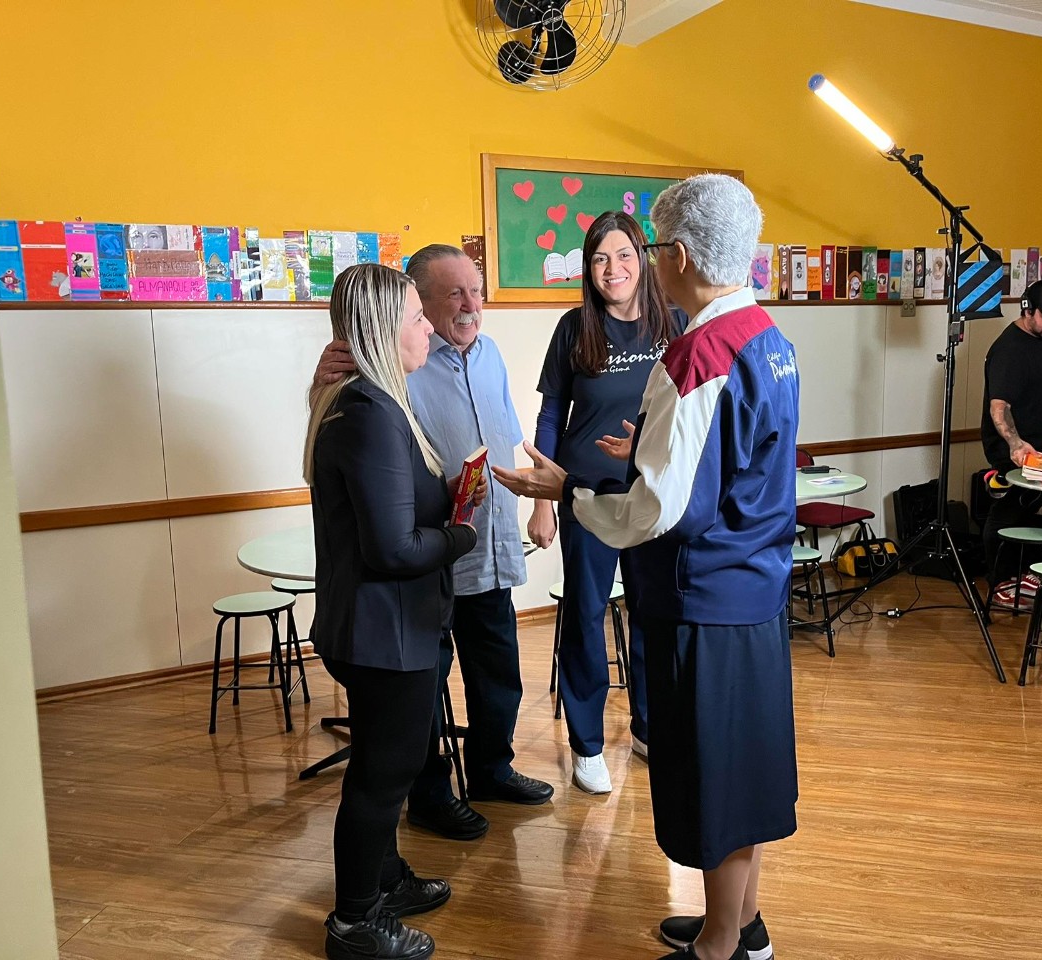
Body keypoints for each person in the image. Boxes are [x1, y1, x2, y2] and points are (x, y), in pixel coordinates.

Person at [494, 173, 797, 960]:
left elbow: (658, 511)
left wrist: (571, 491)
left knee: (714, 777)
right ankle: (743, 920)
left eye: (654, 249)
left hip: (704, 597)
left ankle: (722, 945)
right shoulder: (766, 335)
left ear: (680, 256)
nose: (649, 263)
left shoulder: (697, 353)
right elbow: (735, 458)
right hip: (756, 589)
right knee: (743, 766)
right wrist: (654, 449)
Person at [314, 244, 554, 842]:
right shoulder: (390, 367)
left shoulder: (491, 354)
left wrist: (542, 502)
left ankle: (492, 770)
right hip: (426, 562)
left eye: (477, 290)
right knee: (421, 693)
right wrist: (320, 384)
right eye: (453, 295)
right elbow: (350, 451)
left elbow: (513, 440)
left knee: (498, 676)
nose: (472, 305)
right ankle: (429, 795)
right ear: (416, 303)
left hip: (485, 548)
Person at [305, 263, 489, 960]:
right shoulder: (371, 412)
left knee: (387, 765)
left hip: (385, 628)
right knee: (382, 777)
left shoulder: (370, 402)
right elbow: (393, 548)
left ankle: (384, 880)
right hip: (384, 633)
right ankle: (355, 923)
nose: (429, 330)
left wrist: (452, 491)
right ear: (387, 329)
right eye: (417, 317)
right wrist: (461, 534)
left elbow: (394, 509)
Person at [528, 210, 686, 794]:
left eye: (622, 255)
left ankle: (648, 726)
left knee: (653, 612)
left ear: (642, 259)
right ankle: (587, 745)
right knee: (585, 615)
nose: (611, 269)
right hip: (586, 496)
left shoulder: (675, 322)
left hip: (651, 495)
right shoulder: (574, 328)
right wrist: (543, 501)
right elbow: (552, 414)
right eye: (599, 259)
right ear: (587, 270)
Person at [980, 277, 1042, 610]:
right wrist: (1015, 444)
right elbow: (999, 406)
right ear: (1027, 309)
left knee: (1028, 507)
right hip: (1016, 449)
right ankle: (1000, 583)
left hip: (1041, 444)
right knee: (1007, 513)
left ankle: (1020, 575)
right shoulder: (1011, 349)